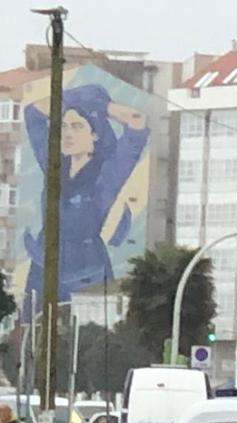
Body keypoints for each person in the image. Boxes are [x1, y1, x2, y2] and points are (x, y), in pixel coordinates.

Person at [23, 84, 149, 311]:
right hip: (44, 266)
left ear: (95, 135)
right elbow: (33, 114)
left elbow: (137, 121)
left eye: (77, 126)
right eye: (63, 126)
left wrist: (99, 105)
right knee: (32, 334)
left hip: (85, 271)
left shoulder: (108, 173)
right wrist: (73, 98)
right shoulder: (53, 166)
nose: (67, 134)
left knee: (85, 335)